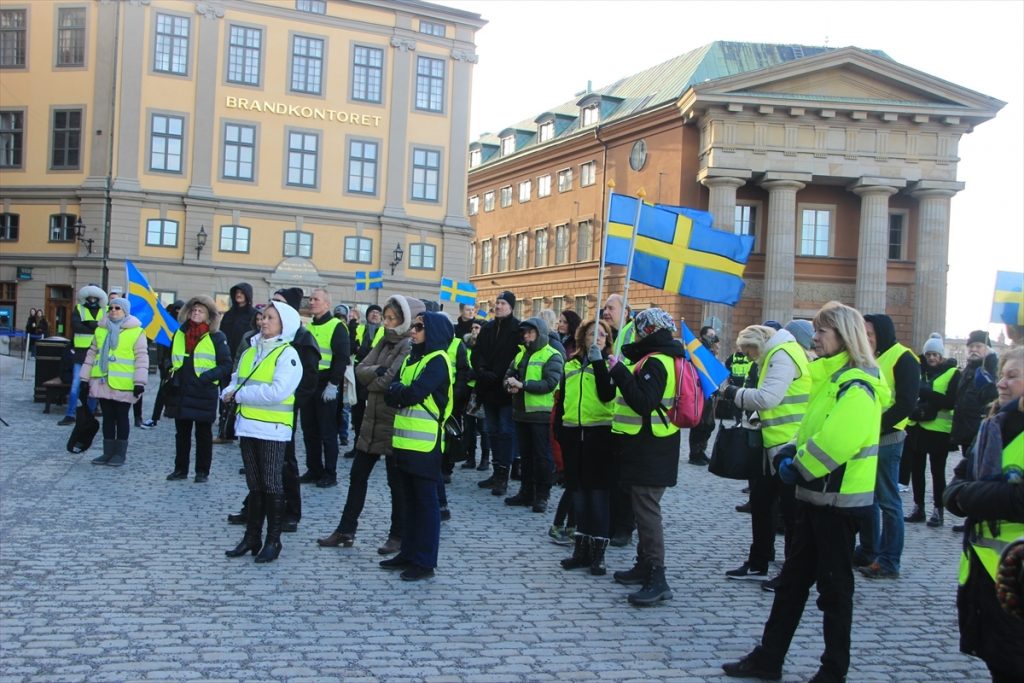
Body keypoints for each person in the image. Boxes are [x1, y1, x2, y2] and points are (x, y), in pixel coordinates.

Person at [723, 301, 888, 683]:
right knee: (792, 585)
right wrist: (791, 450)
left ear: (843, 337)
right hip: (818, 498)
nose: (814, 338)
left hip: (839, 502)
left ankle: (833, 670)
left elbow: (837, 442)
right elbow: (811, 429)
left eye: (821, 332)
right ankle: (768, 659)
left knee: (835, 592)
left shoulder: (857, 385)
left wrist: (795, 467)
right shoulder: (829, 379)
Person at [317, 295, 423, 554]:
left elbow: (385, 381)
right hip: (371, 420)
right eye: (385, 318)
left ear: (404, 320)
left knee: (395, 482)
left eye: (392, 319)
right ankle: (345, 530)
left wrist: (374, 374)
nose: (386, 323)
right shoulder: (385, 342)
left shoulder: (407, 345)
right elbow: (360, 369)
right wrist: (373, 373)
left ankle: (398, 535)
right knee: (357, 476)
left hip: (392, 422)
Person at [943, 346, 1024, 683]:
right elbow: (952, 490)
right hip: (985, 577)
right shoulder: (993, 425)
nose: (1002, 384)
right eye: (1003, 375)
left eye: (1013, 376)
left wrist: (967, 495)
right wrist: (967, 494)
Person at [720, 322, 812, 585]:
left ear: (758, 344)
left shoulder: (782, 355)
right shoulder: (779, 353)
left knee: (788, 511)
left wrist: (732, 393)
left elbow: (767, 398)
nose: (748, 357)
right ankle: (759, 560)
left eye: (749, 351)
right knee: (762, 503)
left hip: (786, 443)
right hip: (774, 441)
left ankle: (791, 573)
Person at [606, 308, 687, 606]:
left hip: (652, 449)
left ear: (649, 331)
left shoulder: (656, 361)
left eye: (639, 330)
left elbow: (644, 403)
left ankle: (657, 576)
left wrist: (619, 372)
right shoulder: (666, 356)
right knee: (643, 510)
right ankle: (643, 566)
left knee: (647, 512)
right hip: (654, 445)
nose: (636, 335)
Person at [223, 301, 303, 564]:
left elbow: (277, 392)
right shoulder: (250, 351)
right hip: (248, 425)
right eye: (262, 317)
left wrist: (239, 395)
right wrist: (228, 392)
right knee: (254, 484)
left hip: (273, 429)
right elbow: (235, 380)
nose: (263, 321)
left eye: (270, 318)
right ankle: (252, 537)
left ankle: (273, 540)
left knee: (271, 484)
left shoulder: (286, 354)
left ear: (284, 324)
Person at [379, 311, 455, 581]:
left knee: (426, 504)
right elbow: (391, 390)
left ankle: (425, 561)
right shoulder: (413, 358)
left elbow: (411, 393)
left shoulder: (438, 360)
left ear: (432, 331)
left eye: (419, 327)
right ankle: (408, 553)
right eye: (414, 326)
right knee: (408, 501)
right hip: (403, 441)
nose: (413, 330)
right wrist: (400, 393)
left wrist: (399, 393)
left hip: (425, 445)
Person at [854, 313, 917, 579]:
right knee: (868, 500)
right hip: (868, 438)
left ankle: (889, 560)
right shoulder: (873, 356)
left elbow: (905, 404)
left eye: (869, 333)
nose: (866, 338)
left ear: (882, 332)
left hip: (888, 439)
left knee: (888, 502)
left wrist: (874, 424)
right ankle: (870, 549)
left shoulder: (904, 358)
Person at [555, 319, 617, 575]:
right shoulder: (569, 365)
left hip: (599, 435)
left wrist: (599, 363)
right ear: (582, 337)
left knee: (597, 495)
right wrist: (560, 431)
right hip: (572, 434)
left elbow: (606, 394)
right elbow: (561, 401)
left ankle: (598, 553)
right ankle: (579, 549)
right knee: (578, 493)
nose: (598, 338)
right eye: (593, 333)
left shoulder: (611, 365)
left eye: (602, 335)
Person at [163, 297, 232, 482]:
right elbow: (170, 356)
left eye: (200, 311)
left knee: (203, 434)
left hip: (203, 391)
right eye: (193, 310)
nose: (196, 314)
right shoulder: (180, 333)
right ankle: (180, 469)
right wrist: (170, 369)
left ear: (209, 316)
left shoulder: (217, 337)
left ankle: (202, 472)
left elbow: (226, 365)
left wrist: (206, 378)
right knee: (181, 434)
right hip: (181, 389)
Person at [503, 316, 564, 513]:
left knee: (542, 457)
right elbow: (508, 375)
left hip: (541, 415)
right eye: (525, 333)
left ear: (540, 333)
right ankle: (526, 492)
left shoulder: (552, 355)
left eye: (530, 332)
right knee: (526, 457)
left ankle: (542, 496)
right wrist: (508, 386)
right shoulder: (521, 354)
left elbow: (550, 384)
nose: (526, 336)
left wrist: (522, 386)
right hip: (521, 413)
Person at [80, 297, 149, 467]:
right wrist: (84, 378)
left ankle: (120, 453)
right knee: (108, 418)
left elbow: (142, 358)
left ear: (125, 311)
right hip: (103, 381)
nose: (113, 310)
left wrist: (139, 382)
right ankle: (107, 452)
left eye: (117, 308)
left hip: (124, 383)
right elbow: (91, 354)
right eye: (111, 308)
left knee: (122, 417)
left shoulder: (137, 331)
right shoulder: (101, 330)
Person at [902, 334, 959, 527]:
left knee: (937, 472)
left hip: (938, 430)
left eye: (935, 354)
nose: (932, 358)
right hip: (916, 427)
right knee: (916, 471)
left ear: (941, 355)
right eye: (929, 354)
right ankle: (918, 508)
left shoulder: (952, 373)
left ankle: (938, 510)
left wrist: (927, 393)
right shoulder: (919, 370)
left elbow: (950, 402)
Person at [298, 288, 350, 488]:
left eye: (316, 299)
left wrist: (333, 384)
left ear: (327, 304)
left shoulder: (337, 326)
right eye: (310, 299)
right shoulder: (308, 327)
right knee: (309, 429)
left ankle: (330, 473)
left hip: (326, 384)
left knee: (328, 432)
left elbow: (341, 358)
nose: (311, 302)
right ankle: (314, 469)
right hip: (308, 384)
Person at [471, 291, 521, 496]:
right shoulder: (488, 327)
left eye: (502, 303)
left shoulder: (517, 328)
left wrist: (499, 374)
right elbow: (477, 353)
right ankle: (495, 471)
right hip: (487, 387)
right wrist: (482, 370)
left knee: (505, 432)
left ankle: (503, 475)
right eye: (497, 303)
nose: (498, 306)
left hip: (505, 389)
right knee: (492, 431)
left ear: (510, 307)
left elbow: (516, 357)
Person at [215, 283, 257, 444]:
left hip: (243, 360)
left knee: (240, 395)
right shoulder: (229, 315)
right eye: (237, 293)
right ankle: (225, 430)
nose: (239, 295)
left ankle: (239, 428)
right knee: (225, 393)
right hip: (226, 359)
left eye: (242, 292)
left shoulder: (253, 314)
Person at [60, 285, 106, 425]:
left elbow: (105, 327)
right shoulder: (79, 309)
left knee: (93, 386)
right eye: (90, 297)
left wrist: (88, 324)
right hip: (80, 354)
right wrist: (95, 326)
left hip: (96, 353)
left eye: (94, 297)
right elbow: (76, 326)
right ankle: (70, 414)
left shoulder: (104, 310)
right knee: (76, 385)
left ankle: (89, 415)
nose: (92, 299)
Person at [346, 304, 384, 457]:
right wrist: (352, 325)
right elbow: (352, 346)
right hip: (359, 373)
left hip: (376, 374)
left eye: (377, 313)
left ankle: (374, 446)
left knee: (375, 413)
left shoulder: (385, 331)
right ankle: (357, 445)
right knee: (358, 412)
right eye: (372, 312)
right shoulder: (361, 329)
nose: (374, 315)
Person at [141, 300, 184, 429]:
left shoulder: (182, 325)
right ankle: (155, 417)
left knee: (172, 391)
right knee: (163, 391)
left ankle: (167, 413)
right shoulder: (168, 323)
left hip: (178, 363)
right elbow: (161, 345)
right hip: (169, 362)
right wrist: (163, 363)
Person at [687, 325, 720, 466]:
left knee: (709, 424)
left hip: (710, 390)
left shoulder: (711, 350)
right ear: (703, 336)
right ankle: (694, 453)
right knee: (699, 423)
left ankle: (702, 450)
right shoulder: (697, 350)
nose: (713, 337)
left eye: (714, 335)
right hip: (699, 390)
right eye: (710, 335)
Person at [461, 319, 490, 471]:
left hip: (481, 391)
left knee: (484, 428)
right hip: (468, 391)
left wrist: (476, 374)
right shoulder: (465, 345)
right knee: (469, 427)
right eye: (473, 327)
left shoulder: (487, 347)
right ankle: (470, 457)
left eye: (477, 328)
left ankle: (485, 459)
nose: (474, 330)